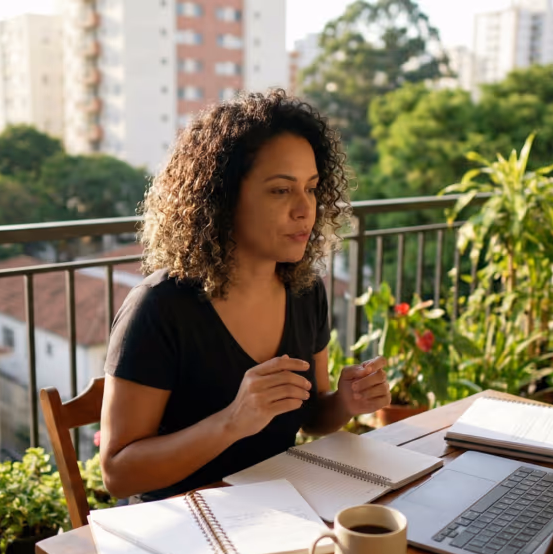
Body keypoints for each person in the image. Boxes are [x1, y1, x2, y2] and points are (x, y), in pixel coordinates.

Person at [99, 89, 391, 502]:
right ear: (221, 198)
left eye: (311, 188)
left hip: (281, 508)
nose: (304, 209)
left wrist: (344, 402)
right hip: (185, 532)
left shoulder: (306, 292)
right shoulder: (159, 307)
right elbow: (118, 473)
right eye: (280, 190)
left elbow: (312, 418)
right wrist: (232, 421)